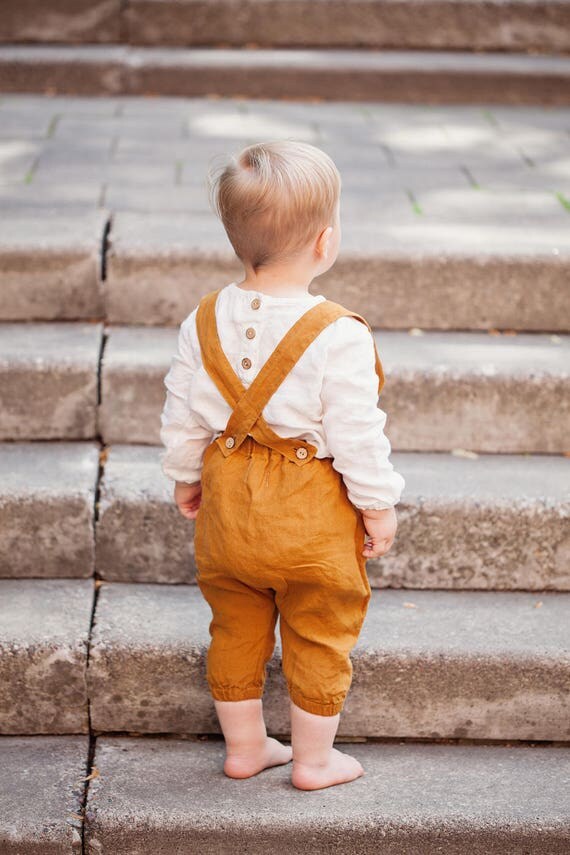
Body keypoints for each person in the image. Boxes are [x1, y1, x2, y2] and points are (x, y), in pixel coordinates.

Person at [159, 139, 405, 791]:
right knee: (320, 627)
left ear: (234, 238)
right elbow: (357, 433)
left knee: (234, 622)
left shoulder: (202, 319)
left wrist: (187, 473)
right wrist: (377, 505)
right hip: (310, 518)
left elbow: (184, 411)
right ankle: (314, 760)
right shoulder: (339, 333)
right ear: (325, 243)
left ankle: (245, 747)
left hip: (229, 509)